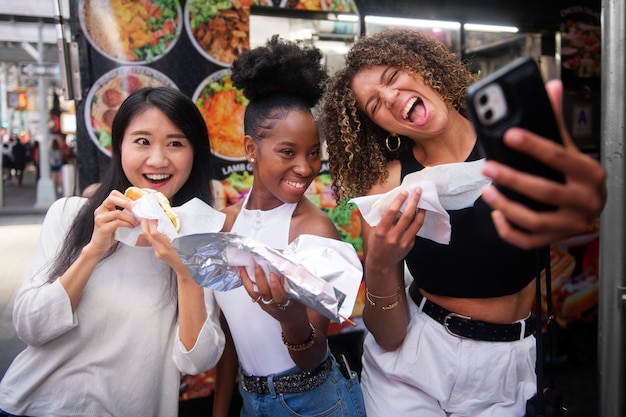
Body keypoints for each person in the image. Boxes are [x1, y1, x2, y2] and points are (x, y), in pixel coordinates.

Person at [319, 28, 606, 417]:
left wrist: (591, 202)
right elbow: (388, 335)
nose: (389, 97)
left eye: (392, 78)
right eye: (374, 105)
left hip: (512, 365)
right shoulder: (388, 185)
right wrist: (381, 265)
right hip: (415, 368)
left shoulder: (511, 143)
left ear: (422, 70)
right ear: (383, 128)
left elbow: (577, 210)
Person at [0, 87, 225, 417]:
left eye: (175, 143)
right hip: (36, 407)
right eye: (142, 141)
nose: (158, 159)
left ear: (195, 153)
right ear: (118, 147)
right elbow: (31, 327)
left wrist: (185, 273)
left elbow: (198, 361)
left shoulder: (198, 237)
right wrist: (93, 250)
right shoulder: (70, 214)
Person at [211, 36, 366, 417]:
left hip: (315, 403)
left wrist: (290, 318)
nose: (306, 168)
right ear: (250, 149)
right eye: (287, 152)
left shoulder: (315, 231)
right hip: (250, 401)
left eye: (314, 153)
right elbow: (232, 335)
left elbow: (311, 359)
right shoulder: (226, 222)